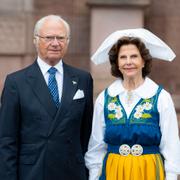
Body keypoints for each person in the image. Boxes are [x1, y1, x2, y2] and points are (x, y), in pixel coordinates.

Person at [0, 15, 93, 180]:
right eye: (49, 37)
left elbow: (86, 134)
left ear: (67, 41)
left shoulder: (83, 79)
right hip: (33, 172)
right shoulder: (16, 82)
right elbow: (7, 140)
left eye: (61, 38)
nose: (55, 43)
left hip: (72, 172)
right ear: (36, 40)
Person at [85, 28, 180, 180]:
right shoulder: (105, 98)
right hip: (113, 171)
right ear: (117, 63)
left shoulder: (161, 97)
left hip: (148, 171)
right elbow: (96, 145)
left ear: (143, 61)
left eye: (134, 56)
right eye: (123, 57)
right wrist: (94, 175)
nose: (128, 62)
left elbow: (171, 145)